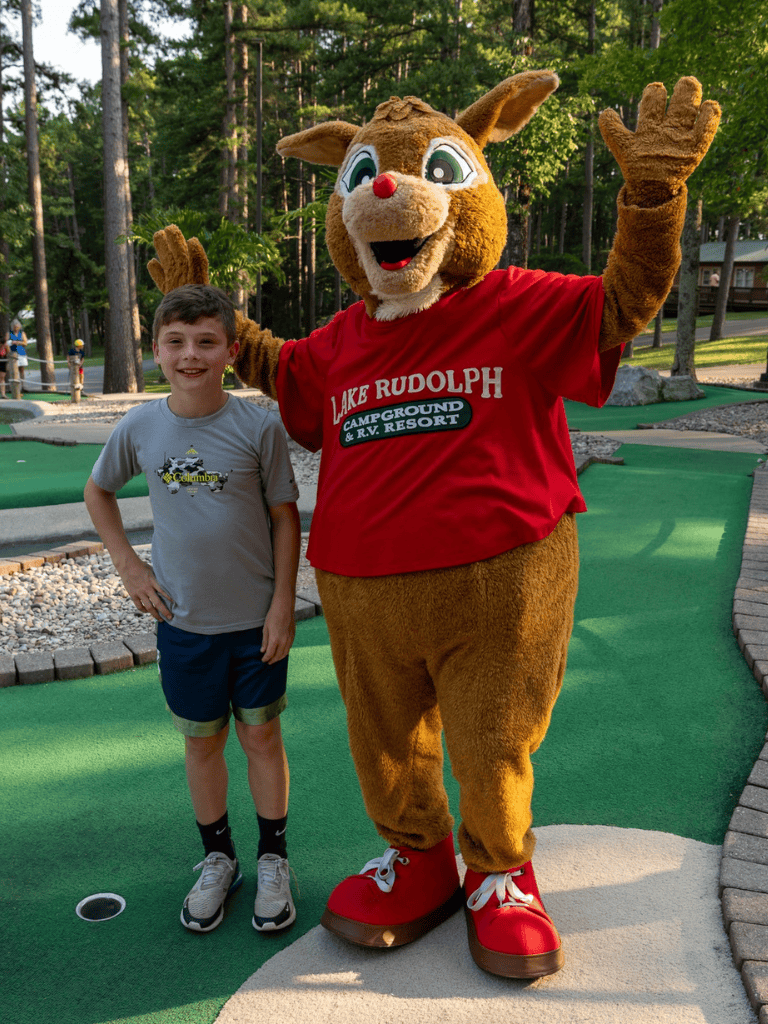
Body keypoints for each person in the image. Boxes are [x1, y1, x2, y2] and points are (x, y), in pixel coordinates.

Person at [84, 284, 302, 936]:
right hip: (183, 624)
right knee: (202, 741)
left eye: (206, 342)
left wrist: (284, 603)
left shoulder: (258, 425)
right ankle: (219, 859)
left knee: (260, 736)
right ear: (156, 350)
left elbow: (285, 519)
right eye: (176, 342)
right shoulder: (141, 426)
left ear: (230, 351)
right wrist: (129, 565)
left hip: (254, 619)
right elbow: (99, 493)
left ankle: (273, 859)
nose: (190, 355)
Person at [6, 319, 28, 391]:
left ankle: (23, 386)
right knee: (14, 370)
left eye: (17, 326)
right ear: (12, 326)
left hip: (21, 353)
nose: (16, 328)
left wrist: (18, 342)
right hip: (13, 353)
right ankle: (15, 387)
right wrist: (11, 343)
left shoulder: (22, 333)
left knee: (21, 370)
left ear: (19, 326)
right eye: (14, 326)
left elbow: (25, 343)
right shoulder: (9, 333)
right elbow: (6, 344)